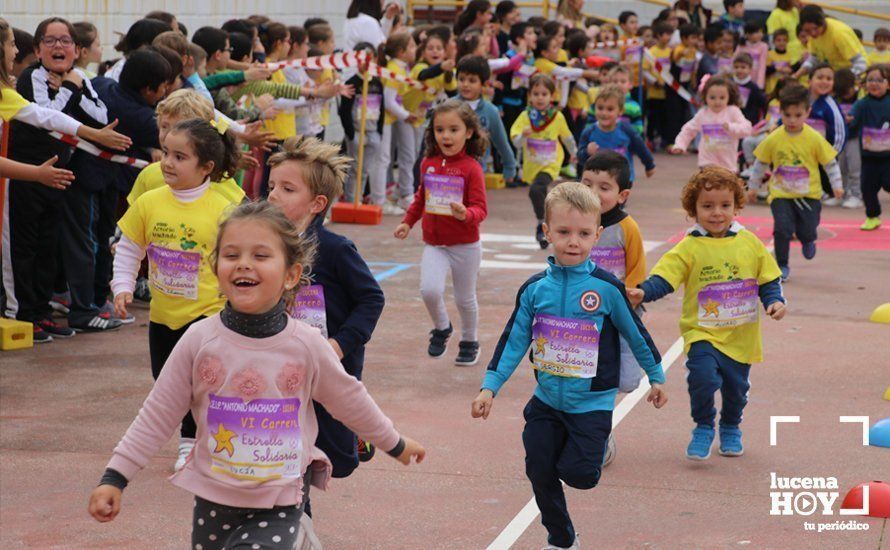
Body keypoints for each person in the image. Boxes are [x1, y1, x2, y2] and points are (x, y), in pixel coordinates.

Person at [89, 200, 425, 547]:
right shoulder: (199, 340)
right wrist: (115, 476)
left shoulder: (306, 344)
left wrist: (394, 443)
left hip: (280, 501)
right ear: (215, 266)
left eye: (261, 256)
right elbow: (157, 414)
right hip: (213, 499)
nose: (244, 264)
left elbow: (350, 400)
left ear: (292, 274)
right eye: (231, 255)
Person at [472, 182, 667, 550]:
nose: (573, 241)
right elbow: (514, 340)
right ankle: (562, 539)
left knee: (579, 475)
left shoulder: (607, 288)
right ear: (547, 233)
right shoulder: (534, 290)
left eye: (582, 233)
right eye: (563, 232)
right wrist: (489, 387)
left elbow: (635, 333)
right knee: (538, 465)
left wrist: (656, 377)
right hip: (546, 400)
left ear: (596, 235)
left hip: (591, 404)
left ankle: (594, 451)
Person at [629, 167, 785, 460]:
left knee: (736, 389)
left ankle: (730, 426)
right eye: (707, 206)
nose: (717, 213)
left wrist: (774, 302)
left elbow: (767, 279)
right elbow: (666, 277)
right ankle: (703, 425)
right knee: (702, 377)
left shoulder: (749, 242)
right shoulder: (689, 246)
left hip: (741, 334)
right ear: (693, 209)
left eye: (725, 205)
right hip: (702, 330)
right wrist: (643, 292)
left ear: (736, 206)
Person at [112, 119, 242, 471]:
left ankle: (191, 441)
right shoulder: (149, 202)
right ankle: (195, 436)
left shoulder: (223, 209)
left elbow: (237, 260)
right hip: (163, 315)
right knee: (167, 383)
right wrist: (122, 286)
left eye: (179, 156)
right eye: (166, 153)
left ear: (206, 168)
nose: (167, 162)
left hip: (208, 315)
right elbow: (129, 248)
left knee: (204, 383)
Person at [3, 17, 132, 342]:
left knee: (47, 245)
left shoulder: (11, 90)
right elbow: (43, 114)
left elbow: (69, 114)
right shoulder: (31, 76)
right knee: (20, 248)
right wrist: (72, 90)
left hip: (51, 175)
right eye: (10, 44)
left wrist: (90, 127)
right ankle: (20, 315)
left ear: (77, 49)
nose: (15, 50)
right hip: (23, 176)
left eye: (65, 41)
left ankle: (40, 312)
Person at [266, 136, 387, 477]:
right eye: (272, 186)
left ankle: (354, 436)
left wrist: (339, 345)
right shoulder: (264, 244)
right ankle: (292, 517)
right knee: (292, 454)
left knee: (339, 461)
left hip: (331, 361)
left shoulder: (335, 250)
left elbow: (371, 298)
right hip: (280, 364)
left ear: (317, 203)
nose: (273, 194)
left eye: (287, 189)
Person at [394, 100, 488, 366]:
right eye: (439, 129)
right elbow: (421, 198)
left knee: (464, 297)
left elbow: (481, 209)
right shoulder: (428, 163)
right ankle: (442, 327)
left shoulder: (472, 168)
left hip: (465, 245)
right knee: (429, 291)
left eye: (453, 129)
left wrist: (466, 215)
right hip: (435, 244)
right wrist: (407, 222)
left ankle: (470, 341)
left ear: (468, 132)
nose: (446, 136)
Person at [746, 84, 844, 280]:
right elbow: (761, 163)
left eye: (798, 115)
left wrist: (837, 185)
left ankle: (809, 239)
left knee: (807, 230)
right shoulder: (773, 138)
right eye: (787, 115)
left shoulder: (814, 138)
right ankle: (782, 265)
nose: (792, 120)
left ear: (807, 112)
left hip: (809, 195)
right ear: (780, 112)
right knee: (782, 229)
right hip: (781, 194)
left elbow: (830, 163)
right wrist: (753, 186)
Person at [510, 74, 577, 249]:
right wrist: (522, 136)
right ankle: (549, 220)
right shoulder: (525, 117)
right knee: (539, 192)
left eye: (544, 94)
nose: (540, 98)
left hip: (551, 163)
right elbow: (515, 140)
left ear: (552, 96)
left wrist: (574, 153)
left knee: (536, 190)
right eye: (536, 93)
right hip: (532, 163)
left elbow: (567, 136)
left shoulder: (557, 117)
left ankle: (542, 223)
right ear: (529, 96)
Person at [670, 75, 752, 173]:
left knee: (725, 188)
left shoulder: (733, 111)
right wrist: (680, 145)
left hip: (728, 164)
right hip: (707, 162)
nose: (717, 102)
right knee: (709, 187)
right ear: (705, 96)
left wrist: (731, 127)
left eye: (722, 98)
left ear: (729, 96)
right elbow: (688, 129)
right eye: (712, 97)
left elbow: (747, 128)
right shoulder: (703, 113)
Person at [456, 55, 517, 185]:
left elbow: (501, 141)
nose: (465, 84)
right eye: (461, 79)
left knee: (475, 204)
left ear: (483, 84)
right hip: (451, 171)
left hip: (477, 172)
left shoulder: (491, 111)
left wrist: (510, 167)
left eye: (472, 81)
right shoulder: (449, 107)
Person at [577, 85, 655, 183]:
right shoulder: (589, 132)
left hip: (622, 179)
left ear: (620, 111)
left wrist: (649, 165)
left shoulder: (626, 130)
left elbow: (640, 147)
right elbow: (580, 157)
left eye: (610, 109)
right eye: (600, 108)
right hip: (596, 181)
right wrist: (587, 152)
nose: (604, 113)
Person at [379, 31, 419, 215]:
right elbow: (388, 100)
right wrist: (405, 115)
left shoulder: (400, 67)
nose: (415, 49)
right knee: (384, 158)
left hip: (392, 118)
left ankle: (402, 193)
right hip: (386, 119)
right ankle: (385, 199)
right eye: (411, 46)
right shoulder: (395, 69)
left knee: (396, 157)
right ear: (402, 52)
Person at [849, 64, 890, 231]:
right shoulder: (862, 104)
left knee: (888, 183)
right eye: (870, 80)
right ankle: (872, 217)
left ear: (888, 84)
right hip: (868, 157)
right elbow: (852, 118)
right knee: (867, 188)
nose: (874, 83)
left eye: (879, 80)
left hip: (888, 157)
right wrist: (848, 120)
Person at [792, 5, 867, 77]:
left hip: (853, 76)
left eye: (816, 28)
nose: (813, 33)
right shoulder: (814, 35)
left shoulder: (839, 34)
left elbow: (861, 64)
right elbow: (814, 58)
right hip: (834, 75)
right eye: (807, 30)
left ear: (823, 22)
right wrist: (796, 75)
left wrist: (841, 80)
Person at [833, 68, 863, 209]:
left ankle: (856, 195)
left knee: (854, 169)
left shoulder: (860, 98)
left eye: (848, 90)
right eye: (842, 92)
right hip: (841, 138)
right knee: (841, 167)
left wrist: (854, 121)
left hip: (855, 138)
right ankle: (842, 195)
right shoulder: (835, 99)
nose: (846, 94)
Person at [732, 53, 767, 125]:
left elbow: (763, 104)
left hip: (749, 122)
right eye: (736, 67)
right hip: (732, 121)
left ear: (750, 69)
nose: (739, 70)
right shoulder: (729, 84)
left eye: (743, 67)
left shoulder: (754, 87)